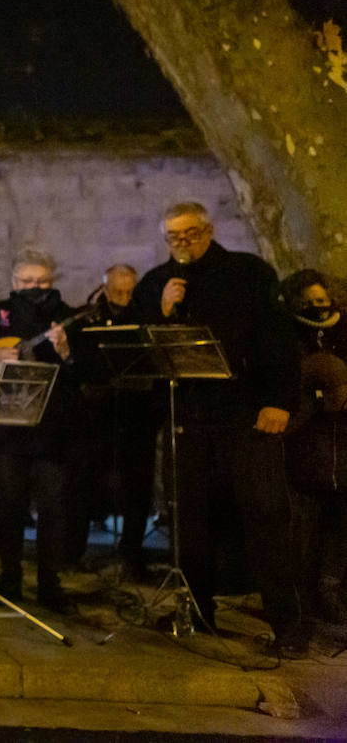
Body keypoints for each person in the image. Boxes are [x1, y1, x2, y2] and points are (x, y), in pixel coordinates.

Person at [133, 201, 305, 652]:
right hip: (188, 418)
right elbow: (143, 351)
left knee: (265, 515)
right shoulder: (155, 284)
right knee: (190, 520)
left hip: (247, 414)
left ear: (208, 229)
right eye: (173, 236)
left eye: (190, 233)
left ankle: (288, 626)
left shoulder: (248, 273)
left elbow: (278, 340)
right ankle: (197, 609)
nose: (182, 243)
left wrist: (279, 401)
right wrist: (163, 312)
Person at [0, 248, 83, 613]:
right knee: (9, 507)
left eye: (41, 282)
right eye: (26, 282)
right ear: (13, 282)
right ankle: (10, 579)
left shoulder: (66, 316)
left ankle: (49, 584)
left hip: (52, 428)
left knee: (53, 509)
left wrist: (67, 350)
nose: (34, 288)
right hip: (7, 427)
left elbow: (85, 369)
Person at [69, 263, 161, 576]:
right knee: (85, 480)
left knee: (138, 483)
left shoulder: (145, 314)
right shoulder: (88, 318)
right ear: (105, 288)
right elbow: (79, 362)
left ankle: (131, 551)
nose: (124, 297)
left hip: (138, 410)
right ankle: (74, 551)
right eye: (117, 291)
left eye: (129, 291)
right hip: (97, 411)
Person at [279, 269, 347, 624]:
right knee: (302, 536)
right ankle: (299, 608)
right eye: (308, 302)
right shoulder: (285, 336)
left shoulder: (344, 332)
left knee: (338, 534)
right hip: (303, 458)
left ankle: (330, 596)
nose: (318, 308)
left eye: (322, 300)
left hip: (342, 453)